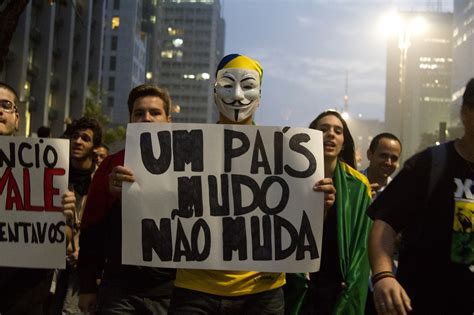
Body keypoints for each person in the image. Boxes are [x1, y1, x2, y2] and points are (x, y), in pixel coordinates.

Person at [168, 54, 335, 314]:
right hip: (195, 289)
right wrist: (131, 190)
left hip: (262, 292)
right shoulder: (185, 151)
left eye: (247, 86)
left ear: (260, 97)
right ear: (214, 92)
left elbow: (296, 221)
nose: (237, 96)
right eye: (227, 85)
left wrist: (318, 205)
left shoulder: (284, 153)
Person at [367, 79, 474, 315]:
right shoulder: (431, 164)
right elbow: (385, 222)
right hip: (420, 301)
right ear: (466, 112)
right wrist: (384, 276)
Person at [78, 84, 176, 314]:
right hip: (120, 291)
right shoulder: (111, 165)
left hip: (172, 291)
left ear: (168, 121)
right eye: (139, 113)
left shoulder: (188, 166)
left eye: (155, 113)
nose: (147, 118)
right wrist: (87, 286)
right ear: (130, 120)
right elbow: (91, 227)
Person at [0, 82, 76, 314]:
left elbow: (65, 237)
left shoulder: (46, 165)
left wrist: (63, 219)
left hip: (26, 290)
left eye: (5, 105)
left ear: (17, 118)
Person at [291, 110, 372, 314]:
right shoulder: (290, 179)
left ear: (344, 143)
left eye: (338, 131)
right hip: (298, 284)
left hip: (337, 287)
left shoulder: (359, 187)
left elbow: (362, 245)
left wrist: (352, 282)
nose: (331, 134)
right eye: (324, 129)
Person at [52, 117, 103, 314]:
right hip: (51, 263)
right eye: (75, 137)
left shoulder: (101, 182)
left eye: (85, 138)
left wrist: (83, 249)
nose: (78, 142)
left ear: (95, 146)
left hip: (82, 268)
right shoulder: (54, 176)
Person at [362, 133, 401, 199]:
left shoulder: (400, 194)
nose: (388, 163)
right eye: (383, 156)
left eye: (394, 158)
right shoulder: (351, 185)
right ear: (369, 154)